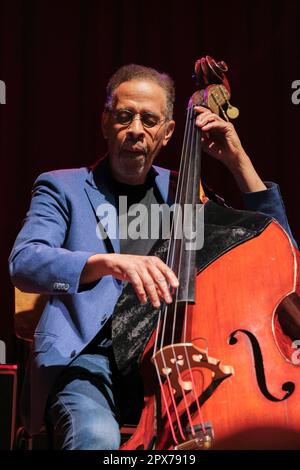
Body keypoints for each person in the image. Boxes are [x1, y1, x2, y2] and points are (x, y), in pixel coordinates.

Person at [9, 64, 297, 450]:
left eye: (149, 119)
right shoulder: (62, 187)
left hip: (174, 355)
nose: (135, 130)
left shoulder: (185, 190)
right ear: (105, 122)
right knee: (96, 437)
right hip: (89, 360)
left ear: (168, 132)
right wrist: (107, 264)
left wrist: (237, 160)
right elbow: (25, 262)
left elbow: (278, 251)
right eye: (124, 116)